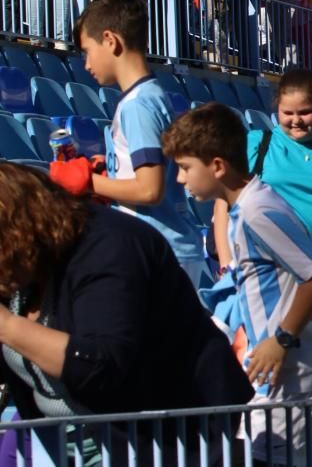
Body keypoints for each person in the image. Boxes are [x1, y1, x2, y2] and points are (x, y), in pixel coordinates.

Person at [0, 163, 253, 464]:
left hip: (169, 439)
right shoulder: (22, 270)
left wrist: (5, 325)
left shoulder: (108, 246)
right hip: (70, 442)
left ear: (22, 232)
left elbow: (100, 365)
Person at [163, 103, 312, 465]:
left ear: (217, 166)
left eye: (186, 168)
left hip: (297, 371)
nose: (180, 180)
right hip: (298, 369)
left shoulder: (257, 210)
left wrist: (280, 341)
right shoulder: (247, 208)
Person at [59, 0, 205, 288]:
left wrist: (86, 181)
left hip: (160, 251)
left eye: (87, 50)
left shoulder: (138, 105)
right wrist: (110, 171)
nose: (86, 64)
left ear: (111, 41)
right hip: (164, 248)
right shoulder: (149, 96)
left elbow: (150, 189)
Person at [212, 69, 312, 320]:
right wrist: (227, 263)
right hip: (262, 277)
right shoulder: (256, 143)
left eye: (305, 112)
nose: (296, 120)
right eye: (287, 113)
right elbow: (224, 204)